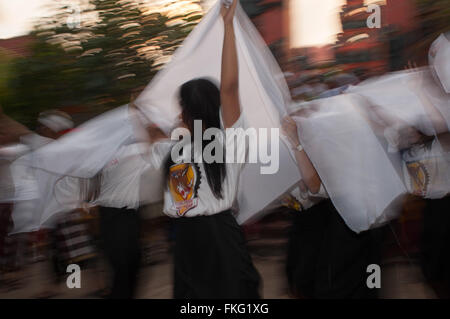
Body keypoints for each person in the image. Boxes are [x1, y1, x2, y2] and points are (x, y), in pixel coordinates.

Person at [142, 0, 261, 299]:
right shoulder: (196, 145)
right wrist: (228, 25)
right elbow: (230, 89)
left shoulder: (182, 148)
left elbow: (229, 88)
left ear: (186, 110)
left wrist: (229, 26)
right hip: (208, 239)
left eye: (181, 105)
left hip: (190, 240)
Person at [281, 115, 384, 299]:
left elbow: (314, 184)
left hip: (349, 240)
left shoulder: (345, 168)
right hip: (351, 236)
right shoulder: (360, 166)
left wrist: (297, 143)